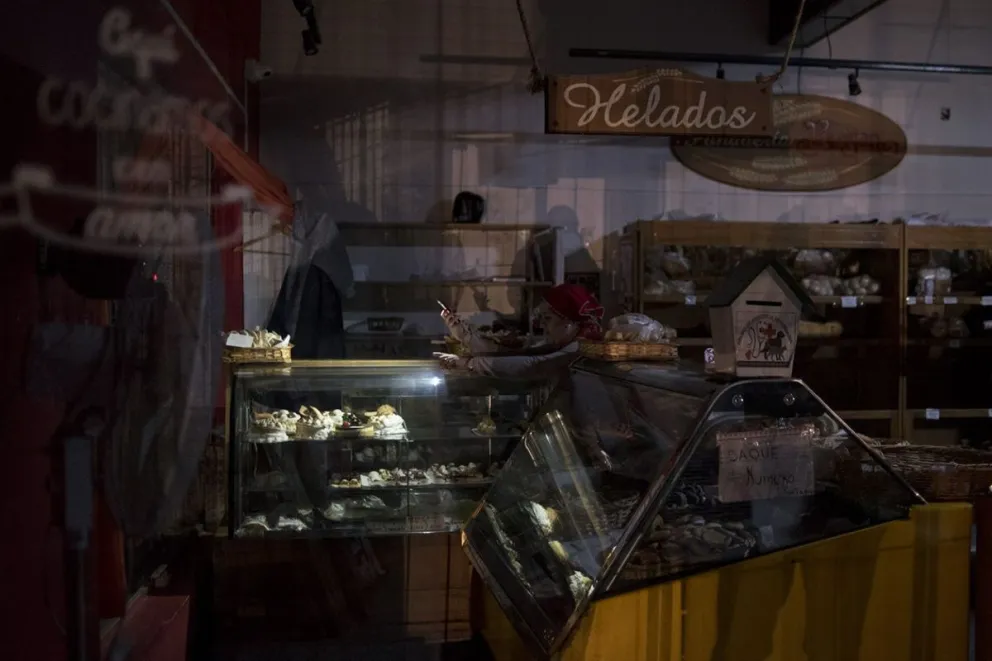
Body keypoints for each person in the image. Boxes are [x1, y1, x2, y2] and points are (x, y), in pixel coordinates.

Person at [433, 283, 604, 379]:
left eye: (548, 318)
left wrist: (468, 363)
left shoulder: (581, 349)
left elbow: (532, 366)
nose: (542, 325)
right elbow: (516, 354)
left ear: (569, 322)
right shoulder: (566, 342)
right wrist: (465, 335)